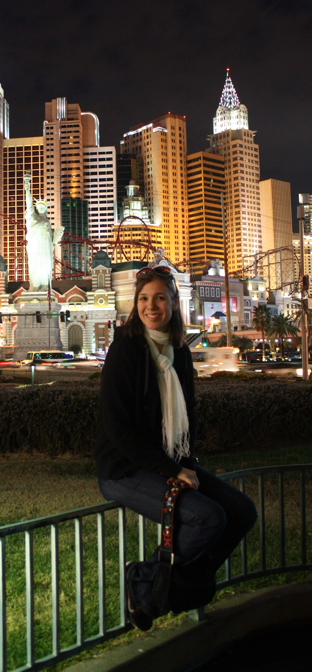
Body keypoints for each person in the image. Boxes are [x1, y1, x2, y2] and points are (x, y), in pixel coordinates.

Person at [96, 266, 257, 631]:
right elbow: (117, 428)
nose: (150, 306)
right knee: (208, 518)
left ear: (173, 303)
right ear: (135, 304)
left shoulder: (179, 352)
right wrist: (173, 471)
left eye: (159, 298)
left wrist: (185, 464)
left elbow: (190, 414)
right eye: (143, 298)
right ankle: (145, 581)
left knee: (242, 512)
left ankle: (176, 582)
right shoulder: (125, 349)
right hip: (124, 469)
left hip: (169, 460)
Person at [24, 172, 64, 292]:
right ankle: (35, 286)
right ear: (36, 208)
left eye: (44, 207)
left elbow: (52, 242)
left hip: (46, 248)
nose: (41, 208)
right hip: (35, 246)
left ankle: (45, 286)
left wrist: (57, 236)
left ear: (46, 210)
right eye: (39, 207)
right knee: (35, 266)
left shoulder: (47, 221)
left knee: (46, 265)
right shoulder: (33, 217)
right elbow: (29, 204)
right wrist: (27, 187)